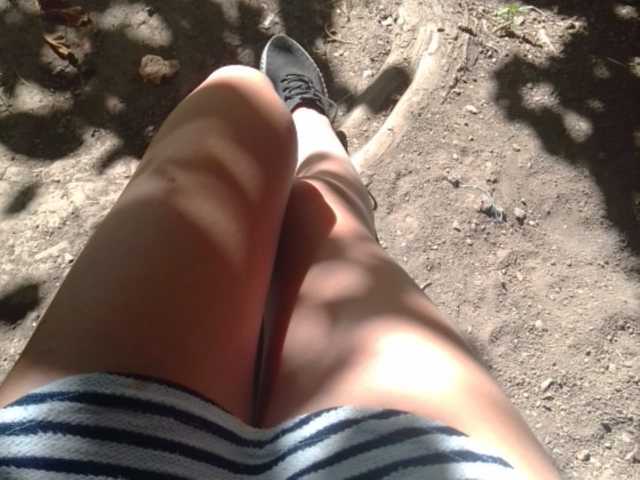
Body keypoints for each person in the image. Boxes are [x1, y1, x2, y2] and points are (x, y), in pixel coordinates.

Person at [0, 35, 560, 479]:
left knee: (237, 95)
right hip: (394, 459)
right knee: (333, 231)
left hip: (79, 448)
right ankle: (312, 125)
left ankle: (305, 145)